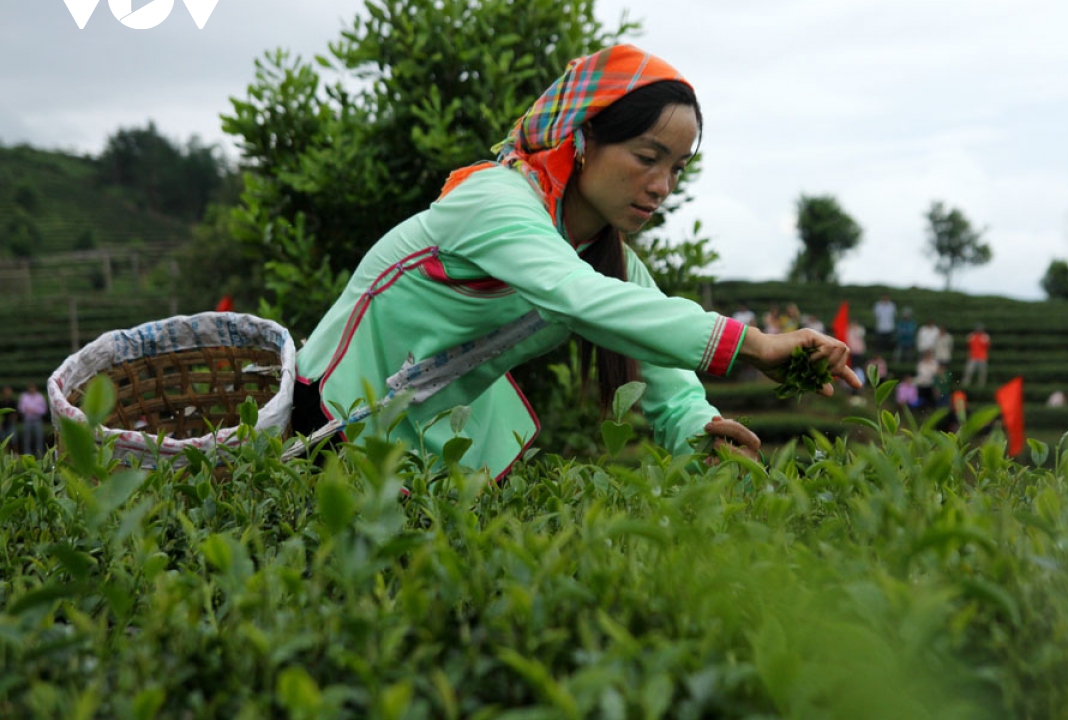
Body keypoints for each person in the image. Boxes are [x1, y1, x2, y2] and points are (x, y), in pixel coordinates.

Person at [290, 45, 859, 476]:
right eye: (646, 157)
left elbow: (659, 360)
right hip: (332, 419)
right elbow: (576, 295)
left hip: (424, 449)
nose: (662, 186)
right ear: (584, 139)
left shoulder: (605, 255)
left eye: (678, 167)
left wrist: (698, 428)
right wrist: (755, 344)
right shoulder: (494, 201)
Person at [18, 383, 47, 458]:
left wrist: (35, 410)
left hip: (37, 420)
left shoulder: (40, 397)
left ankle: (39, 454)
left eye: (33, 388)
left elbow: (44, 409)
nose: (31, 389)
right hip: (27, 420)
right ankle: (27, 455)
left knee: (39, 438)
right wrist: (26, 410)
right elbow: (21, 408)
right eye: (30, 388)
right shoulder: (24, 396)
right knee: (27, 439)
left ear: (35, 388)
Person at [962, 323, 991, 388]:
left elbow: (988, 346)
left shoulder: (985, 337)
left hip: (982, 357)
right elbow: (967, 345)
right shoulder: (971, 336)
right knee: (968, 371)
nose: (978, 331)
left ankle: (981, 385)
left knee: (982, 373)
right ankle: (965, 383)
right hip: (973, 356)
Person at [0, 384, 17, 449]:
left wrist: (13, 419)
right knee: (4, 441)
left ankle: (15, 454)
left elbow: (15, 413)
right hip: (2, 424)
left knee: (13, 440)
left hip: (10, 423)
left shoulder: (13, 402)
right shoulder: (1, 402)